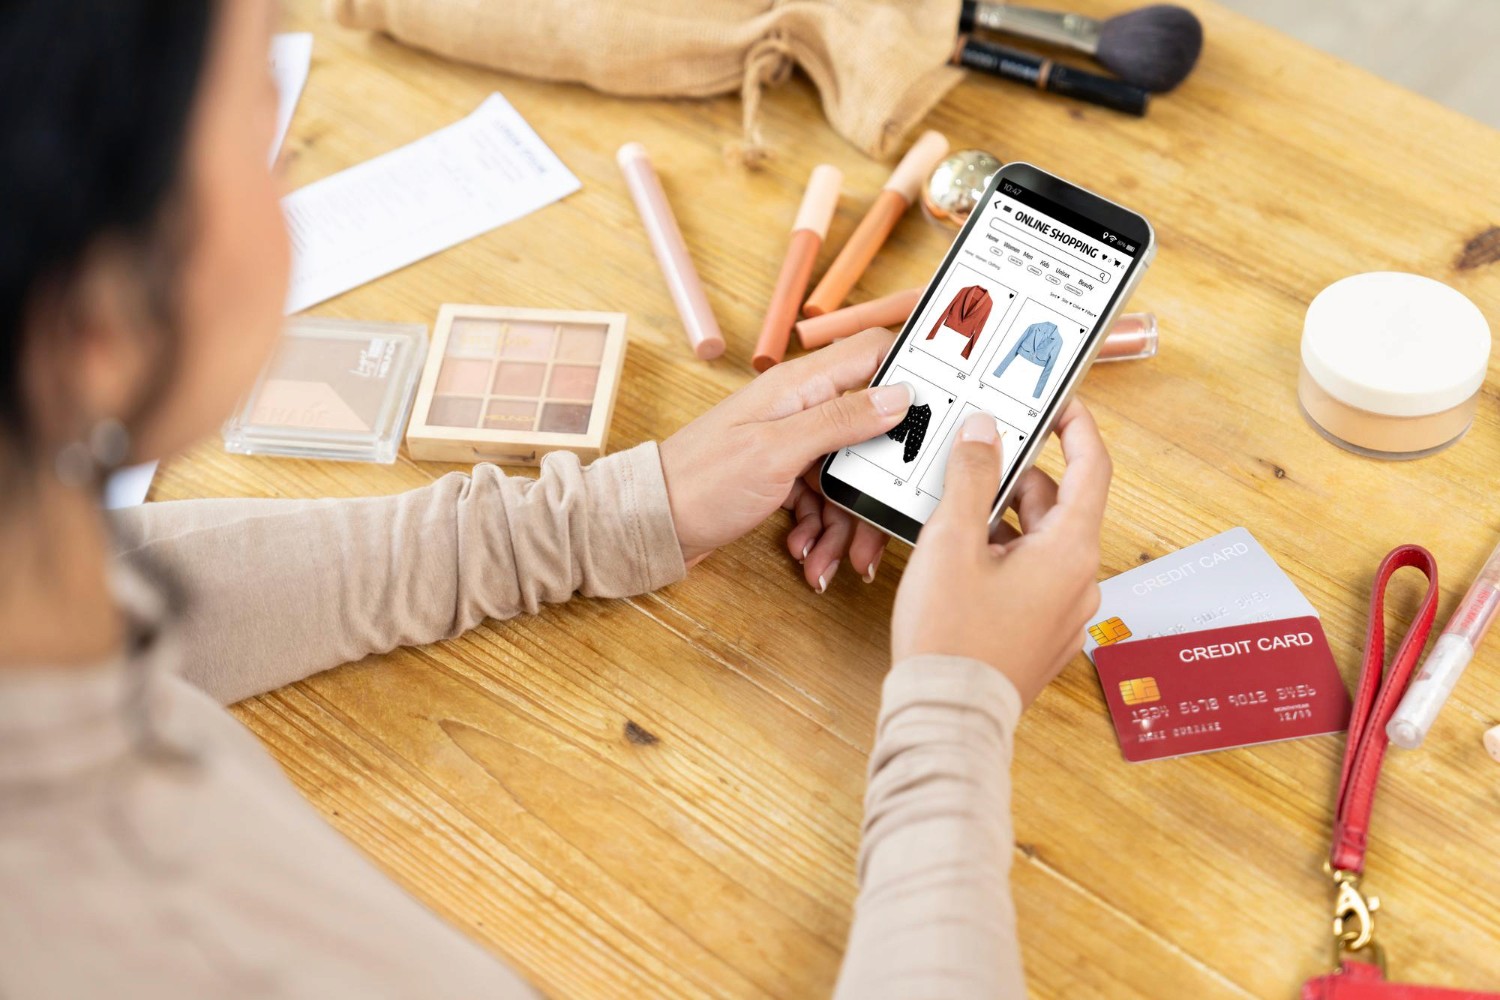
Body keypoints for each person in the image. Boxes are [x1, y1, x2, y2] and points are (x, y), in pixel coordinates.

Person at [0, 2, 1111, 997]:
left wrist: (624, 507)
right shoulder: (166, 936)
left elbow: (160, 590)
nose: (291, 150)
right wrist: (956, 712)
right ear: (97, 330)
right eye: (257, 122)